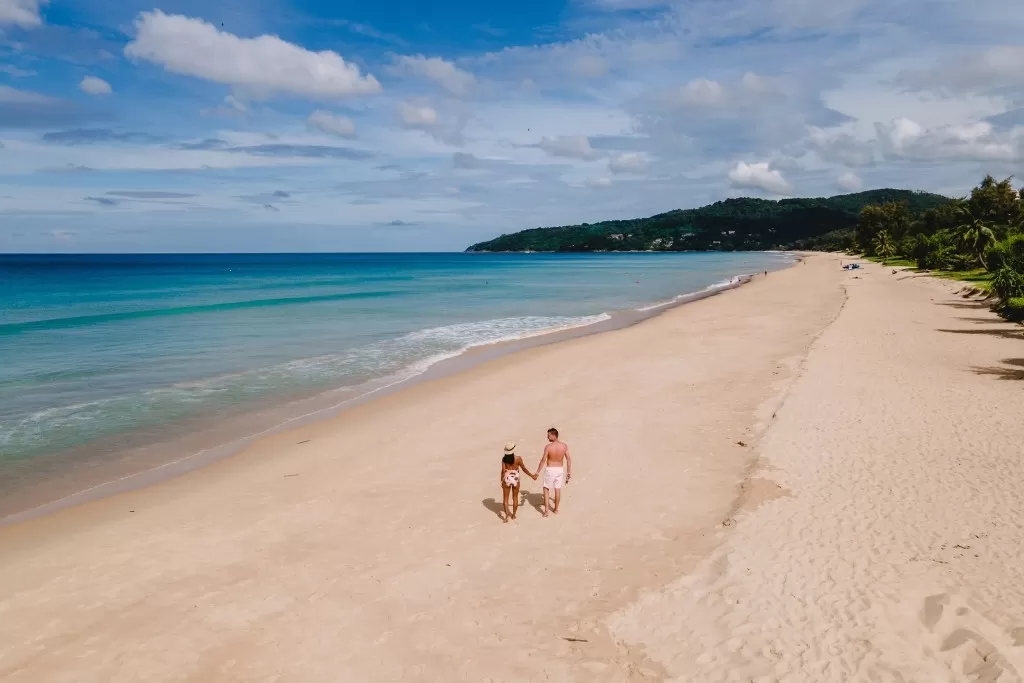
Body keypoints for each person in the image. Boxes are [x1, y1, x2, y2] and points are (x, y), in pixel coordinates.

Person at [535, 427, 571, 517]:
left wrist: (538, 471)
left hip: (550, 469)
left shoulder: (548, 447)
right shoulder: (564, 446)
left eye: (549, 435)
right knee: (557, 489)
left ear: (554, 435)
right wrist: (568, 472)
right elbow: (569, 459)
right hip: (560, 469)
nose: (547, 437)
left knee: (546, 489)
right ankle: (555, 509)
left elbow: (543, 460)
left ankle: (546, 511)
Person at [500, 442, 535, 522]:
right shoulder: (518, 458)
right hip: (515, 477)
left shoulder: (504, 459)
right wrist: (532, 475)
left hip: (507, 476)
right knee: (515, 497)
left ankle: (506, 516)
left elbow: (503, 471)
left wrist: (501, 480)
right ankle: (513, 515)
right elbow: (524, 469)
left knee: (505, 499)